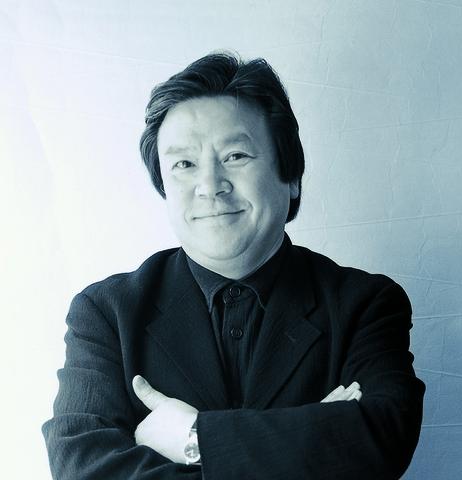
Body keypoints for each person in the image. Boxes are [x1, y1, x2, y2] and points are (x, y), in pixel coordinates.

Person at [42, 52, 425, 479]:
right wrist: (310, 440)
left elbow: (380, 440)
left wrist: (194, 439)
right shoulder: (106, 313)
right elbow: (82, 466)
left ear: (291, 175)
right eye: (184, 164)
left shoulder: (365, 304)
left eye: (236, 156)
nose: (210, 186)